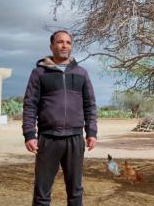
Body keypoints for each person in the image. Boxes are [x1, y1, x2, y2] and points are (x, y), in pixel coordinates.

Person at [22, 30, 98, 206]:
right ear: (52, 46)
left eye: (68, 42)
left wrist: (92, 132)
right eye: (60, 42)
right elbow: (30, 105)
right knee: (42, 192)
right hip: (48, 139)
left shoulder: (82, 73)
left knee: (75, 191)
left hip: (75, 138)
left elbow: (90, 104)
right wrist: (29, 134)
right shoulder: (39, 73)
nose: (64, 45)